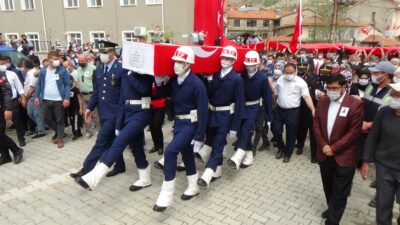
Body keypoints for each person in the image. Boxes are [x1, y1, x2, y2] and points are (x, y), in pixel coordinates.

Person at [74, 44, 154, 192]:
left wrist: (130, 74)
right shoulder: (120, 72)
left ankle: (93, 177)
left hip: (141, 111)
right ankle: (145, 177)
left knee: (119, 141)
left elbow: (144, 89)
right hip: (125, 112)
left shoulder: (142, 72)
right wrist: (118, 123)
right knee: (136, 146)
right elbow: (122, 98)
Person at [153, 46, 208, 212]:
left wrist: (199, 135)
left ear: (188, 64)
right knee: (187, 155)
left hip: (190, 125)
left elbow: (203, 110)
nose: (177, 64)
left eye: (181, 62)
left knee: (170, 153)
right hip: (178, 124)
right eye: (176, 61)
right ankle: (193, 187)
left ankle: (166, 195)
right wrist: (158, 80)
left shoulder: (197, 84)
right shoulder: (175, 80)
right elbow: (162, 92)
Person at [70, 41, 126, 178]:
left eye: (105, 52)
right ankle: (120, 166)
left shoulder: (121, 69)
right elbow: (97, 91)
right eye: (101, 53)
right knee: (113, 140)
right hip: (103, 111)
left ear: (113, 53)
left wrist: (122, 113)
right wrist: (89, 108)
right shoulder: (99, 69)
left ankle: (86, 169)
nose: (103, 55)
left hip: (115, 113)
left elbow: (124, 94)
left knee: (101, 140)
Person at [313, 74, 363, 225]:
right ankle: (331, 208)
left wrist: (334, 148)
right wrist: (323, 145)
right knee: (328, 186)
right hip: (324, 154)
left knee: (340, 191)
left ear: (343, 87)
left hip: (344, 156)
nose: (331, 91)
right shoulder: (322, 102)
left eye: (334, 88)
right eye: (328, 88)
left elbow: (354, 132)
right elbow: (316, 125)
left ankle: (333, 220)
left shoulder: (354, 104)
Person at [196, 46, 244, 189]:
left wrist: (235, 127)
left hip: (225, 117)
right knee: (210, 141)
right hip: (212, 114)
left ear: (233, 60)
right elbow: (209, 95)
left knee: (218, 145)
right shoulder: (215, 75)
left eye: (228, 58)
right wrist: (209, 81)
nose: (225, 60)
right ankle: (216, 171)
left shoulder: (237, 79)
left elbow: (239, 104)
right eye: (223, 57)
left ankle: (207, 174)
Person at [361, 83, 400, 225]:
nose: (392, 97)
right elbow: (373, 136)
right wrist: (366, 161)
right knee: (383, 205)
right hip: (384, 167)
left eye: (397, 95)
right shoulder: (383, 112)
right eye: (392, 93)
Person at [228, 50, 272, 169]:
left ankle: (238, 156)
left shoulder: (262, 78)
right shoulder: (241, 76)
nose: (249, 67)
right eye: (247, 64)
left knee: (247, 130)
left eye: (252, 65)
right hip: (240, 107)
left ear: (257, 64)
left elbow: (268, 97)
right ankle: (249, 156)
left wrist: (268, 117)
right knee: (240, 131)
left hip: (254, 107)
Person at [272, 63, 315, 163]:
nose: (289, 74)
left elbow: (307, 97)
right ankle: (281, 148)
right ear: (284, 71)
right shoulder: (280, 79)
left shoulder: (301, 82)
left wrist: (313, 109)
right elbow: (277, 92)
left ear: (295, 71)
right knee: (276, 129)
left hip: (293, 112)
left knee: (291, 134)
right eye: (287, 72)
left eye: (291, 72)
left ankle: (288, 153)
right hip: (279, 110)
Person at [34, 51, 71, 148]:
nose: (57, 61)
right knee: (46, 118)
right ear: (49, 59)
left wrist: (66, 98)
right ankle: (60, 133)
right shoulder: (43, 71)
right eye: (54, 59)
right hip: (45, 99)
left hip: (59, 99)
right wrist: (36, 96)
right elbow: (39, 84)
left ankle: (60, 139)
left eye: (58, 59)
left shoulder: (63, 71)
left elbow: (67, 85)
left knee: (59, 119)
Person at [0, 61, 24, 165]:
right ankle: (5, 155)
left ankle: (16, 150)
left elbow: (7, 92)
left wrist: (8, 108)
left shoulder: (1, 74)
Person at [295, 61, 318, 163]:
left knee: (313, 132)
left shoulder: (311, 77)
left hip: (310, 107)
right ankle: (300, 146)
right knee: (301, 129)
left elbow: (313, 93)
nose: (301, 69)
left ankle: (314, 154)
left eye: (303, 67)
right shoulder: (294, 76)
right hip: (298, 107)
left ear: (307, 67)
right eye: (299, 67)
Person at [22, 59, 46, 139]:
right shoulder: (29, 73)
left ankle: (41, 131)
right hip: (30, 97)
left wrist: (25, 97)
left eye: (22, 66)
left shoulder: (32, 74)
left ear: (25, 66)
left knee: (37, 114)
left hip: (34, 97)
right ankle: (43, 126)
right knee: (30, 113)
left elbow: (32, 88)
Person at [76, 54, 98, 138]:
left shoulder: (93, 68)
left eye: (82, 61)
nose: (80, 62)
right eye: (79, 61)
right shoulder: (78, 69)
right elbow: (78, 80)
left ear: (86, 60)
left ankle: (99, 130)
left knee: (95, 114)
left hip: (92, 94)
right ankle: (89, 131)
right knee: (85, 114)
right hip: (82, 95)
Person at [148, 82, 166, 155]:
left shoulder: (161, 79)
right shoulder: (148, 78)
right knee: (151, 127)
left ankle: (160, 146)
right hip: (150, 105)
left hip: (160, 104)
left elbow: (163, 92)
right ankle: (156, 145)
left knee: (157, 126)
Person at [68, 75, 83, 140]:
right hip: (69, 109)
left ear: (72, 80)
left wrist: (81, 108)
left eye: (70, 80)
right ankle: (79, 133)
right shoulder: (67, 89)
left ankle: (76, 134)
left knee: (75, 122)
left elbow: (80, 99)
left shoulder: (75, 89)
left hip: (76, 109)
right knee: (72, 121)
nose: (69, 81)